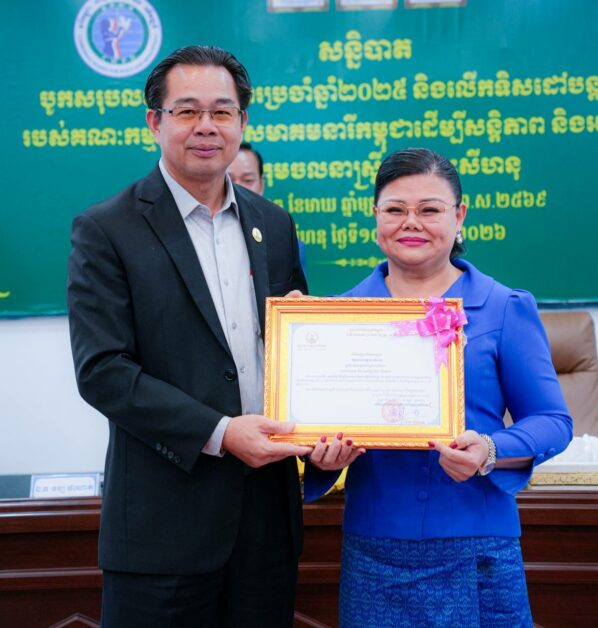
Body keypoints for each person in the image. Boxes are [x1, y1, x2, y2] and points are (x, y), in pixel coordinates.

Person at [67, 45, 312, 628]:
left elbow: (298, 352)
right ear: (155, 122)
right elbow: (103, 371)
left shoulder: (273, 224)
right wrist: (221, 433)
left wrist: (323, 422)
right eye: (187, 111)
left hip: (266, 524)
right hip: (163, 529)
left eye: (222, 111)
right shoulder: (106, 229)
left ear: (242, 122)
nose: (207, 126)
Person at [304, 148, 573, 627]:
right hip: (374, 549)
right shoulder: (339, 316)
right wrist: (322, 456)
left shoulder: (505, 307)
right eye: (395, 209)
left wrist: (491, 448)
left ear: (459, 216)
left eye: (429, 209)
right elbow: (315, 428)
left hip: (479, 545)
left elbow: (553, 422)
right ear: (375, 215)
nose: (411, 223)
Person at [229, 142, 308, 277]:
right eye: (229, 180)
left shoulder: (285, 242)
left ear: (261, 184)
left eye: (248, 180)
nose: (238, 188)